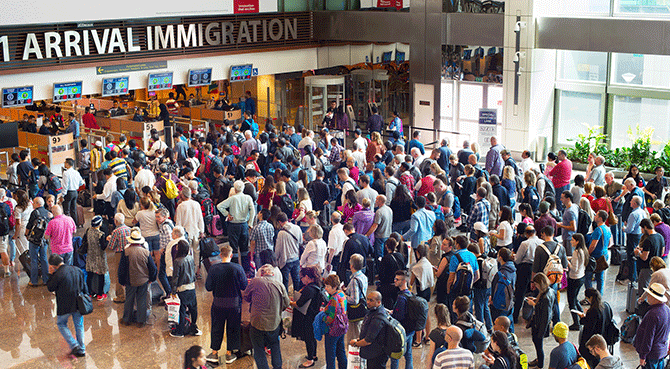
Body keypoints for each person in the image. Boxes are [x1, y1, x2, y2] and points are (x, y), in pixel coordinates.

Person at [205, 244, 248, 364]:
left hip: (218, 304)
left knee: (216, 327)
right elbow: (244, 286)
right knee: (233, 328)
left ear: (220, 255)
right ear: (231, 255)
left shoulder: (214, 268)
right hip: (234, 304)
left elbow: (208, 287)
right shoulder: (237, 268)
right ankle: (229, 353)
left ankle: (214, 353)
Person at [244, 264, 290, 369]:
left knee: (258, 348)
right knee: (275, 345)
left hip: (257, 322)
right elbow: (286, 303)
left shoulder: (255, 281)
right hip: (274, 323)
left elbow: (246, 296)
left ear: (261, 273)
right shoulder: (280, 285)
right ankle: (277, 367)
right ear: (272, 274)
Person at [46, 253, 88, 357]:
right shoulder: (77, 270)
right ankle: (82, 349)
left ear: (53, 266)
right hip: (78, 303)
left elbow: (50, 288)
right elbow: (84, 287)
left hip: (64, 305)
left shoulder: (57, 274)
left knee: (61, 324)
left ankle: (74, 345)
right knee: (79, 325)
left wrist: (50, 274)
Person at [118, 227, 158, 327]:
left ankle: (126, 319)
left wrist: (121, 281)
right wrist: (151, 279)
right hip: (143, 280)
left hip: (130, 280)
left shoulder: (126, 251)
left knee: (129, 300)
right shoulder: (145, 252)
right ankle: (141, 321)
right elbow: (153, 268)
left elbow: (122, 268)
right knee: (142, 300)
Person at [573, 288, 612, 368]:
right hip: (604, 337)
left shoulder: (593, 311)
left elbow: (588, 328)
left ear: (590, 297)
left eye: (587, 298)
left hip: (594, 341)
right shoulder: (605, 305)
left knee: (592, 362)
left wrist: (583, 317)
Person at [170, 239, 201, 337]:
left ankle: (180, 331)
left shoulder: (177, 261)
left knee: (182, 310)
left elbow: (175, 277)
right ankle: (194, 327)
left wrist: (173, 291)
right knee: (193, 309)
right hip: (191, 287)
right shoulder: (190, 258)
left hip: (182, 288)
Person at [635, 282, 670, 369]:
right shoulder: (667, 309)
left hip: (651, 355)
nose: (647, 297)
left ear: (655, 298)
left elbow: (648, 338)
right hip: (661, 352)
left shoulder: (652, 314)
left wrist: (643, 356)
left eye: (649, 295)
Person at [351, 291, 389, 369]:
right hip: (374, 352)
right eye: (367, 299)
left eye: (371, 300)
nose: (367, 302)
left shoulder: (378, 318)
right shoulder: (376, 311)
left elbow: (368, 341)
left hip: (377, 355)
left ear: (379, 302)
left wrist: (355, 343)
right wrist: (358, 339)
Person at [525, 273, 556, 369]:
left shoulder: (545, 297)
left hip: (539, 326)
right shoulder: (549, 291)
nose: (535, 286)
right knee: (537, 345)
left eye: (536, 284)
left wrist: (534, 304)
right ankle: (538, 359)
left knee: (539, 345)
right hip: (538, 324)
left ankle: (540, 364)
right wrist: (535, 300)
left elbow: (545, 316)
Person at [322, 274, 348, 369]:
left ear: (334, 286)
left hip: (333, 329)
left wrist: (323, 318)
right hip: (342, 326)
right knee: (341, 351)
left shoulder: (333, 299)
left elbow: (330, 318)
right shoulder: (341, 294)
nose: (326, 288)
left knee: (330, 355)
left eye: (328, 286)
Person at [637, 218, 666, 296]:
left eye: (642, 228)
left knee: (643, 289)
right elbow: (662, 252)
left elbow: (644, 257)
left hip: (646, 268)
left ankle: (643, 306)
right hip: (656, 268)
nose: (641, 230)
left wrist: (638, 252)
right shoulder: (660, 237)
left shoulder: (648, 240)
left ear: (646, 227)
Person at [490, 248, 517, 332]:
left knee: (500, 324)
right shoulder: (512, 269)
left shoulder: (500, 274)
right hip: (510, 300)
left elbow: (494, 289)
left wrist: (492, 300)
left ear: (501, 257)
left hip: (499, 304)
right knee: (509, 322)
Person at [83, 216, 109, 300]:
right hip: (99, 257)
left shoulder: (88, 231)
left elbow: (84, 241)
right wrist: (107, 240)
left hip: (90, 255)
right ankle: (100, 294)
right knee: (101, 275)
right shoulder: (100, 234)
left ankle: (89, 293)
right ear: (99, 224)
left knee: (90, 274)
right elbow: (103, 247)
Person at [107, 213, 131, 303]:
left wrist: (109, 239)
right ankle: (129, 294)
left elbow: (111, 247)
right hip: (129, 252)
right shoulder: (129, 229)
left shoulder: (116, 232)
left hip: (119, 254)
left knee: (119, 274)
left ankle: (120, 296)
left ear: (116, 221)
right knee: (129, 273)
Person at [25, 197, 49, 286]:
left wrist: (26, 235)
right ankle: (46, 280)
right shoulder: (48, 213)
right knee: (44, 258)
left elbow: (29, 225)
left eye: (34, 203)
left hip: (34, 240)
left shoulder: (35, 213)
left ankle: (34, 281)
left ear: (37, 204)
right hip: (44, 240)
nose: (32, 204)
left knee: (34, 260)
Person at [345, 253, 368, 343]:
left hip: (355, 314)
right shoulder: (363, 277)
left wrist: (344, 295)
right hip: (362, 311)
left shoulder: (354, 280)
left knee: (353, 339)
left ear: (351, 266)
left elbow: (355, 300)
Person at [624, 195, 646, 282]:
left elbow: (629, 229)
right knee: (636, 256)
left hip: (632, 237)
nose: (630, 202)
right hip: (639, 235)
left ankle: (631, 278)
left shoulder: (633, 214)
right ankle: (636, 276)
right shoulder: (642, 211)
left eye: (631, 201)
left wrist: (624, 228)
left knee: (631, 257)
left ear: (634, 203)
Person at [62, 158, 84, 227]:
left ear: (67, 164)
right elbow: (82, 182)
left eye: (65, 163)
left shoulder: (66, 173)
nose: (64, 164)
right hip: (75, 192)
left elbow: (65, 185)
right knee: (73, 209)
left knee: (67, 210)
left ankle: (68, 225)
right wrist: (76, 185)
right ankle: (75, 224)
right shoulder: (76, 172)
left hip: (69, 192)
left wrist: (63, 195)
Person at [557, 191, 579, 256]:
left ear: (568, 199)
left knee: (569, 256)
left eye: (562, 198)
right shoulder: (574, 206)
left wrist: (561, 226)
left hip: (568, 238)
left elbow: (573, 227)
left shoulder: (569, 212)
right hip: (568, 237)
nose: (561, 200)